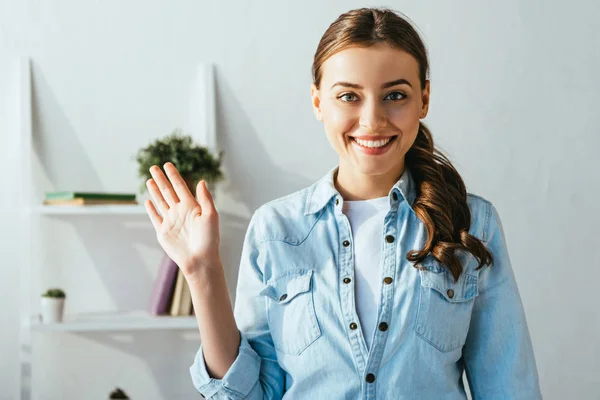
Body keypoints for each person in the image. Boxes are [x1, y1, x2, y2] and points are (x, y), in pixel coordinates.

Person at [144, 7, 542, 399]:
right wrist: (202, 272)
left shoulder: (473, 223)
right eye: (349, 96)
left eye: (395, 95)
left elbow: (509, 387)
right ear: (319, 102)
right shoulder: (274, 229)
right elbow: (251, 395)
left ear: (424, 99)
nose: (372, 120)